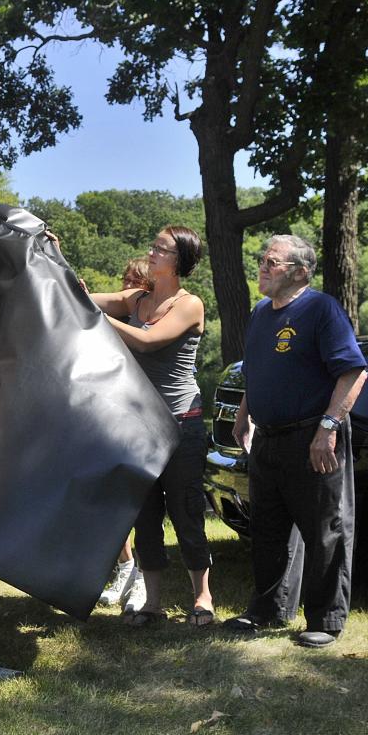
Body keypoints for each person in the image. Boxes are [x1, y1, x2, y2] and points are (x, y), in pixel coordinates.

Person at [226, 235, 366, 648]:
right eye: (261, 260)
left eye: (271, 261)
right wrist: (243, 412)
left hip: (313, 436)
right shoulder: (259, 313)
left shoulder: (321, 308)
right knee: (267, 530)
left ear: (300, 272)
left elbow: (353, 373)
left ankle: (325, 619)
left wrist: (328, 428)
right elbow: (257, 368)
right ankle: (267, 610)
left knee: (325, 530)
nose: (262, 267)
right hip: (268, 440)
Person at [90, 226, 214, 626]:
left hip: (182, 426)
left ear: (179, 261)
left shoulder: (189, 304)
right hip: (141, 428)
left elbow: (148, 342)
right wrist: (51, 258)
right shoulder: (137, 299)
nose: (152, 252)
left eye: (161, 249)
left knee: (186, 513)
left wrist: (99, 320)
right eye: (154, 246)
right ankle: (152, 604)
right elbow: (81, 298)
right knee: (145, 517)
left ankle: (202, 599)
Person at [97, 257, 152, 610]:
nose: (126, 284)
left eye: (134, 280)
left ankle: (143, 578)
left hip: (148, 420)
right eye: (124, 278)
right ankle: (125, 566)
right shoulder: (115, 314)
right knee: (112, 498)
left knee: (143, 505)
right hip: (115, 417)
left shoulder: (151, 318)